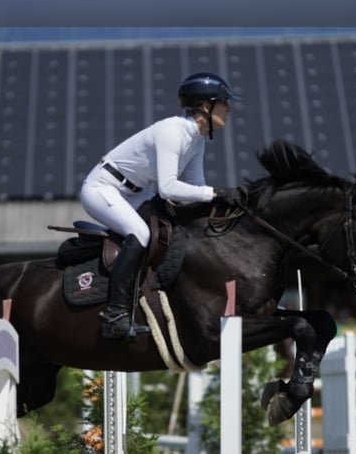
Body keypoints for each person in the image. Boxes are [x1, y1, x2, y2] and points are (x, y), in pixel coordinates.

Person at [79, 71, 243, 339]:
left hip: (134, 193)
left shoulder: (197, 140)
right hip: (102, 188)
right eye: (225, 102)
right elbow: (169, 188)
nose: (230, 108)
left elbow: (193, 188)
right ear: (206, 106)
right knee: (141, 234)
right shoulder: (172, 131)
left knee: (176, 226)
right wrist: (217, 193)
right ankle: (115, 315)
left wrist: (221, 202)